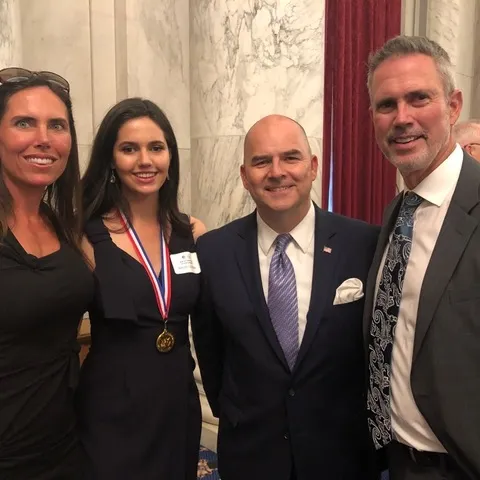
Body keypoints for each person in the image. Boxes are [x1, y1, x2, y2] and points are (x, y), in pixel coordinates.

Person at [192, 114, 380, 480]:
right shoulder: (213, 252)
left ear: (312, 168)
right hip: (251, 452)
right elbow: (211, 352)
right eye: (262, 161)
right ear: (245, 176)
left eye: (290, 158)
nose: (276, 172)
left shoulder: (364, 244)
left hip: (342, 453)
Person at [365, 35, 480, 479]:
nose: (402, 118)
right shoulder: (398, 211)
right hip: (396, 461)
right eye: (386, 104)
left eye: (419, 98)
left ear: (453, 107)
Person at [77, 97, 206, 480]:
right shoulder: (85, 235)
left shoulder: (193, 232)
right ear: (111, 160)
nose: (145, 161)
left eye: (156, 147)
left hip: (176, 403)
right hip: (112, 408)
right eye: (129, 149)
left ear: (170, 157)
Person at [0, 68, 94, 479]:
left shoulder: (63, 225)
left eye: (57, 125)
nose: (44, 138)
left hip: (64, 443)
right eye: (24, 123)